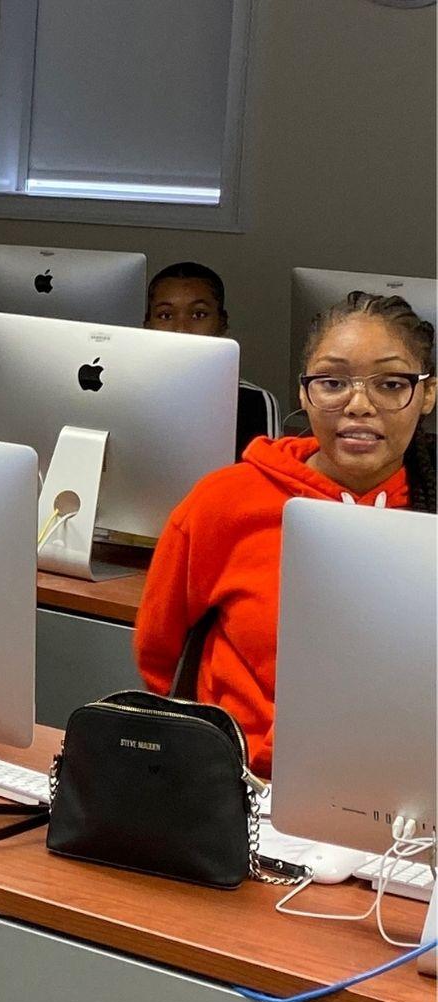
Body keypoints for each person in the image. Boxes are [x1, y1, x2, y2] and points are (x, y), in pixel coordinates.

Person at [134, 290, 435, 782]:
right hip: (238, 785)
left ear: (427, 394)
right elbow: (159, 652)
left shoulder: (428, 508)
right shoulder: (224, 501)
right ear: (303, 392)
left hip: (401, 797)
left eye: (390, 383)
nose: (359, 404)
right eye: (333, 382)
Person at [142, 261, 278, 459]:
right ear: (147, 324)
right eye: (165, 315)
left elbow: (266, 484)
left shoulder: (253, 402)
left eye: (198, 314)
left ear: (222, 323)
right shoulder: (121, 394)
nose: (181, 329)